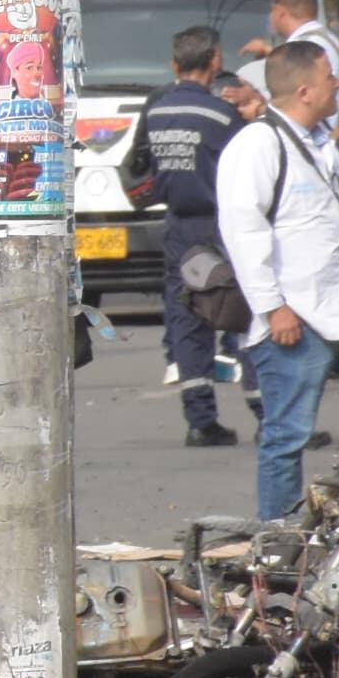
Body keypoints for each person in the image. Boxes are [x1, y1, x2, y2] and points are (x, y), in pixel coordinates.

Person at [219, 38, 339, 518]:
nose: (337, 85)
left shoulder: (321, 142)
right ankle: (279, 542)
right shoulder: (258, 144)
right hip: (294, 318)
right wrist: (272, 306)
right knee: (287, 437)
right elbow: (242, 230)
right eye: (329, 77)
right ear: (304, 90)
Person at [119, 23, 249, 450]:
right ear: (216, 61)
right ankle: (269, 414)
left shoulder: (156, 110)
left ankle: (200, 420)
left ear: (174, 64)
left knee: (187, 317)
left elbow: (140, 166)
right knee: (243, 316)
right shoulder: (222, 115)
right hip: (221, 225)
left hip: (177, 227)